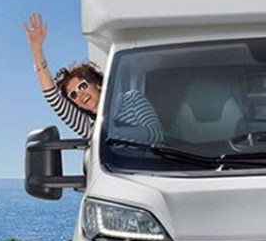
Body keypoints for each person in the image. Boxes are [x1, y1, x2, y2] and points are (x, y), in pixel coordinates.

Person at [23, 13, 163, 144]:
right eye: (73, 95)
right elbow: (52, 96)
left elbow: (155, 134)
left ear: (97, 84)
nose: (80, 94)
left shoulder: (131, 99)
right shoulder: (88, 126)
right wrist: (36, 48)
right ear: (76, 104)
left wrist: (109, 131)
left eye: (82, 86)